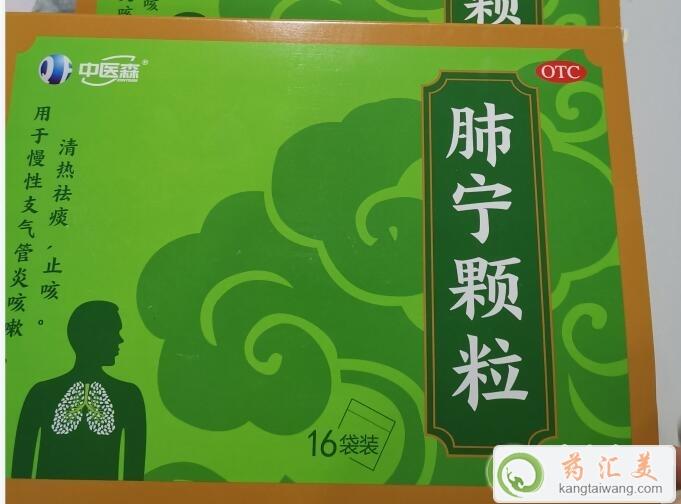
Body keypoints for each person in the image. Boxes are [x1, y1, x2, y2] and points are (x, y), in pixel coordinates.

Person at [12, 301, 146, 480]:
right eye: (114, 332)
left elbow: (135, 479)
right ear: (92, 336)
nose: (119, 339)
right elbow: (20, 473)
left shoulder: (129, 396)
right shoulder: (40, 394)